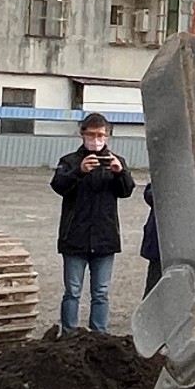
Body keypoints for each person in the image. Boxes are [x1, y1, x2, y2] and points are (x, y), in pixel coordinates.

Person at [50, 112, 134, 332]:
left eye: (101, 135)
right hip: (74, 238)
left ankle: (99, 335)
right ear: (82, 134)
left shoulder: (117, 161)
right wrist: (79, 171)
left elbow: (126, 191)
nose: (96, 140)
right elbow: (58, 185)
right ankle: (68, 334)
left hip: (105, 239)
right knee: (72, 291)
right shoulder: (69, 161)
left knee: (101, 292)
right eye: (91, 135)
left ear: (107, 136)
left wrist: (120, 173)